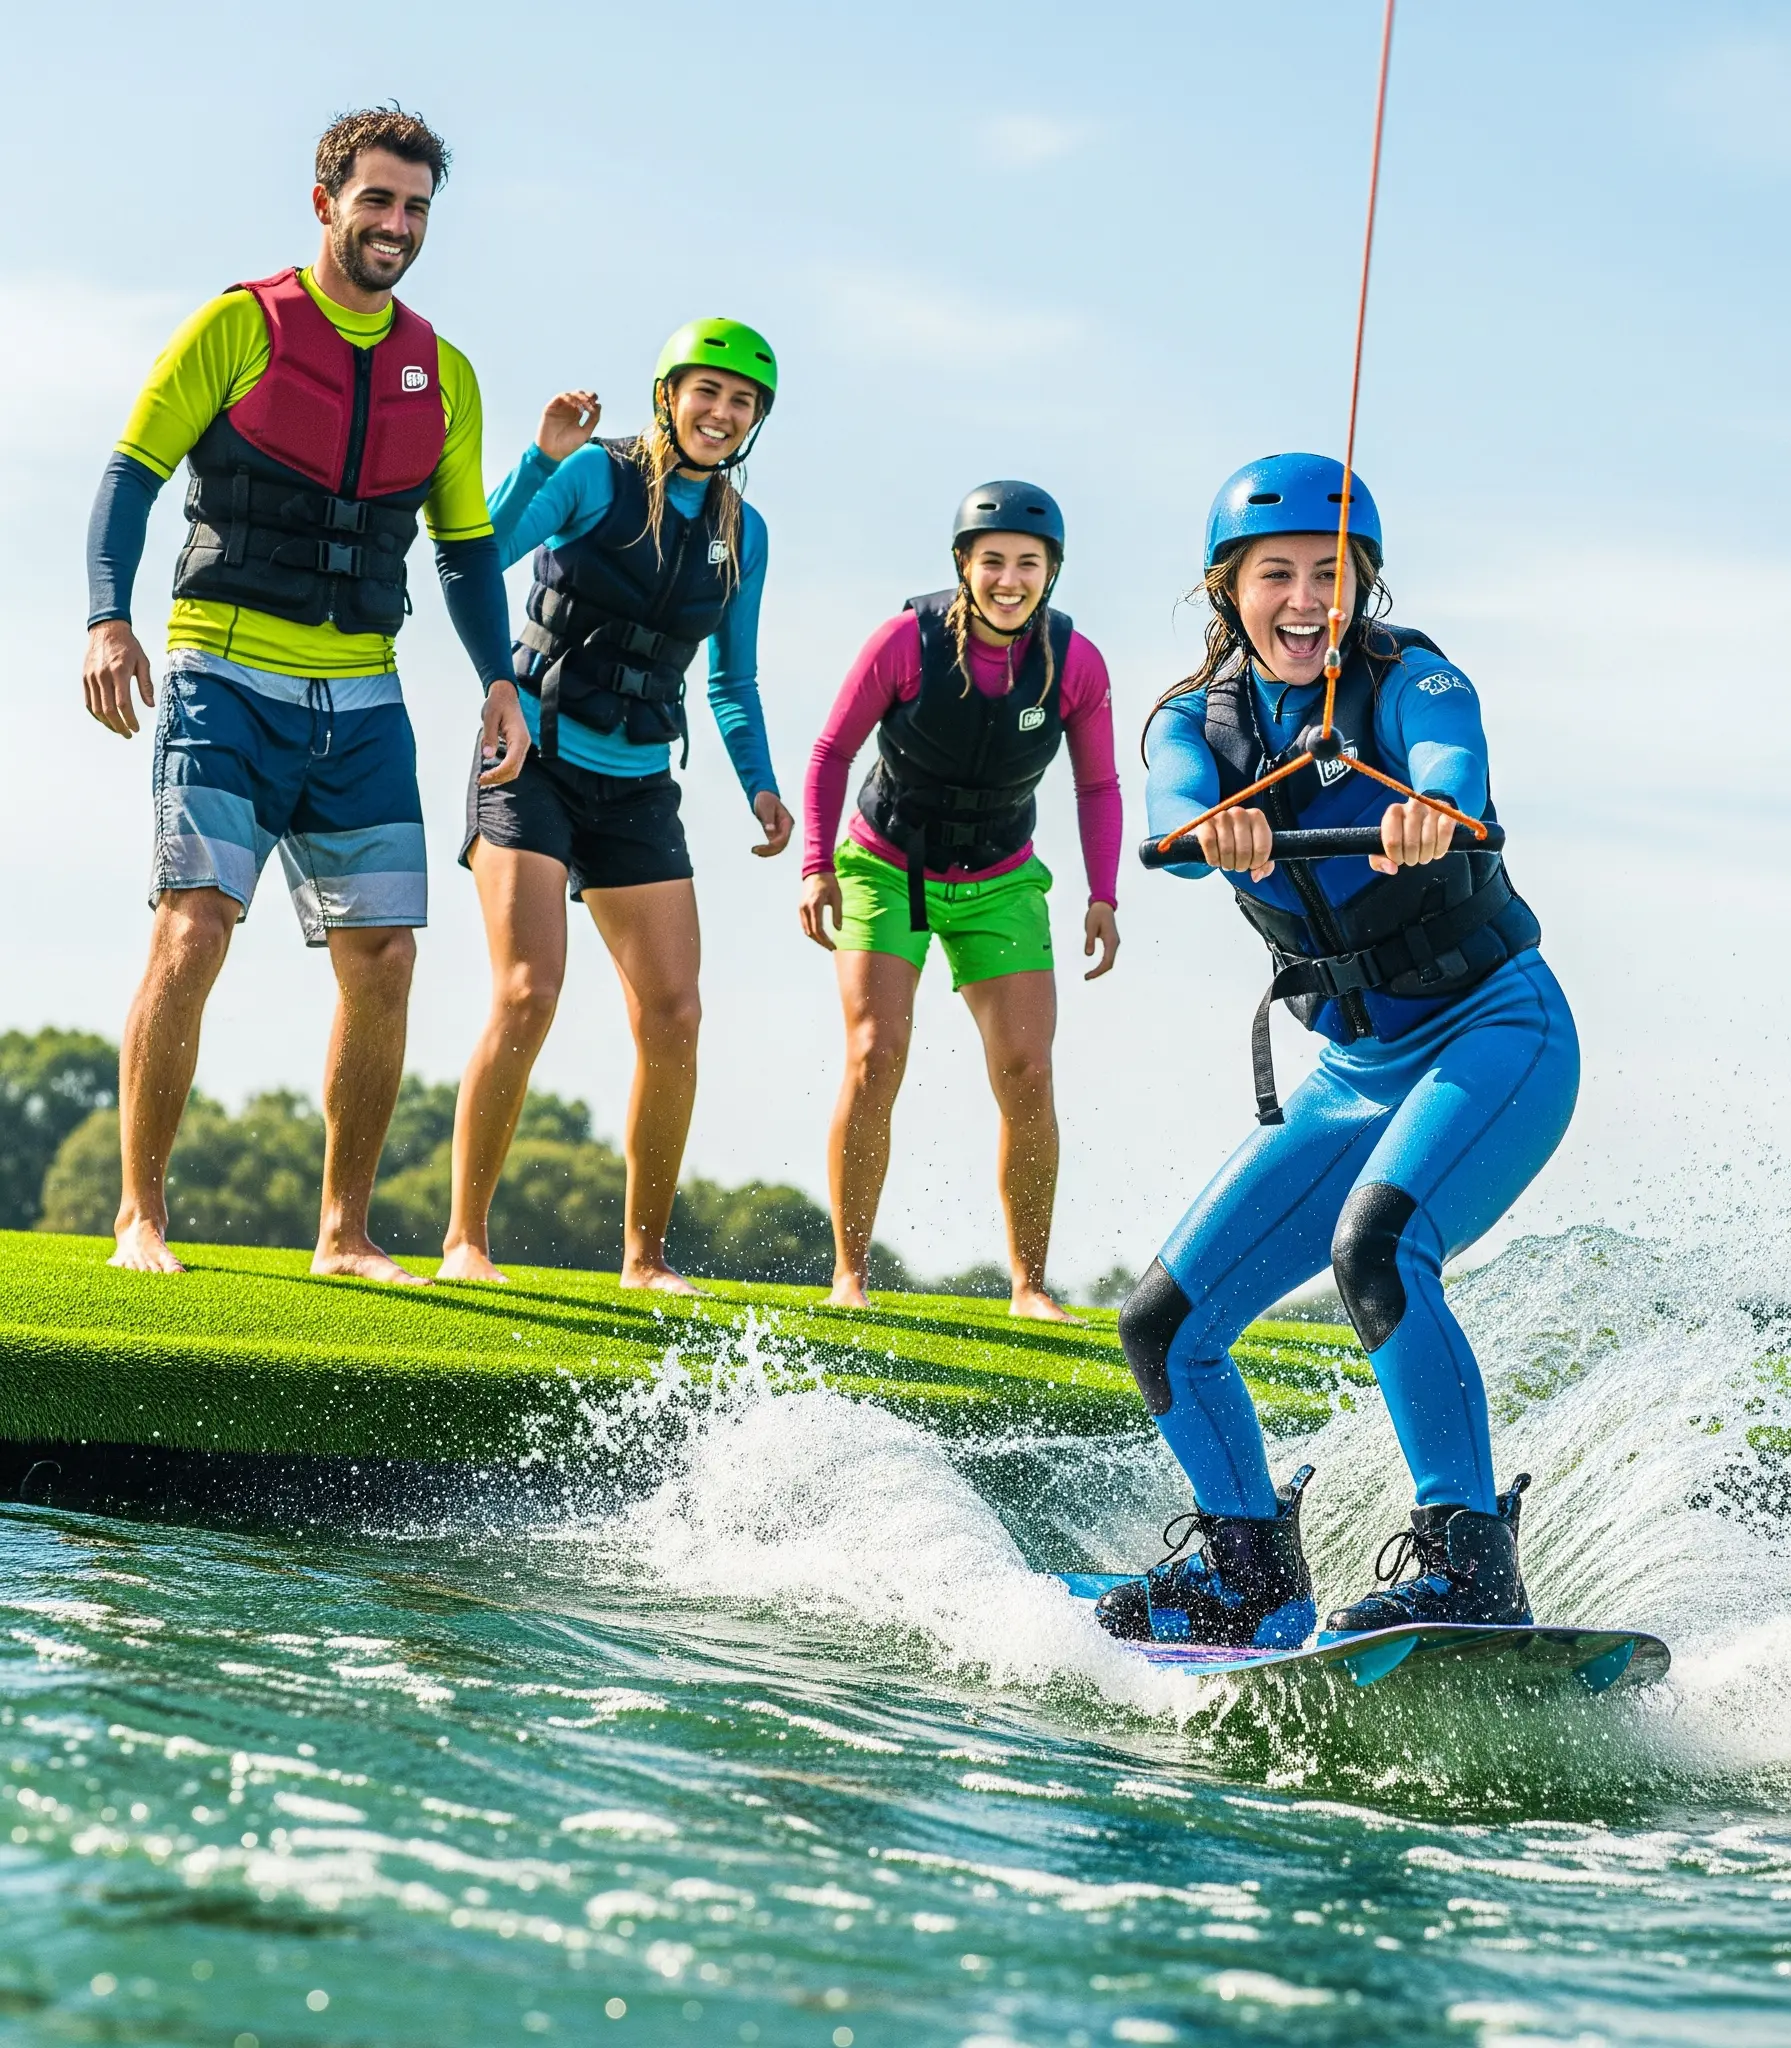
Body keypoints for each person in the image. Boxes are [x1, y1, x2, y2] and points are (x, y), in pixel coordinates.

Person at [1096, 453, 1577, 1648]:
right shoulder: (1188, 721)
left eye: (1330, 573)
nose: (1305, 598)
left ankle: (1468, 1563)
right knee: (1162, 1322)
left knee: (1377, 1248)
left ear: (1362, 582)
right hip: (1351, 1068)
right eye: (1276, 575)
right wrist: (1212, 826)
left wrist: (1431, 810)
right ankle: (1246, 1568)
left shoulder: (1414, 678)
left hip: (1493, 1031)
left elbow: (1453, 765)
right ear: (1227, 590)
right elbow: (1167, 811)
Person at [79, 107, 527, 1282]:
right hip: (224, 675)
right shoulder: (240, 325)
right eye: (377, 200)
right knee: (195, 925)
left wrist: (499, 680)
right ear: (325, 199)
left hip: (363, 699)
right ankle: (140, 1215)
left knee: (384, 957)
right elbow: (128, 476)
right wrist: (106, 617)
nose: (396, 225)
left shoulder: (447, 372)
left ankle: (345, 1234)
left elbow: (469, 551)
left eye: (416, 207)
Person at [438, 323, 793, 1292]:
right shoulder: (596, 476)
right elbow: (485, 548)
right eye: (705, 391)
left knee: (675, 1012)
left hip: (637, 779)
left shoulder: (740, 534)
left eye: (741, 401)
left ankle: (644, 1257)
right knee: (527, 991)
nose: (720, 413)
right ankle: (465, 1237)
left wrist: (759, 780)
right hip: (533, 760)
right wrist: (538, 458)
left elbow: (734, 678)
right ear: (667, 394)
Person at [800, 483, 1122, 1319]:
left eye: (1028, 564)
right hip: (885, 867)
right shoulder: (903, 642)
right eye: (993, 563)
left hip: (1001, 878)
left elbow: (1098, 785)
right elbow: (833, 751)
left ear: (1051, 573)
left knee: (1028, 1072)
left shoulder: (1074, 663)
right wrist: (814, 866)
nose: (1009, 580)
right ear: (963, 567)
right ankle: (849, 1275)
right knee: (876, 1055)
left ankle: (1030, 1286)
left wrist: (1103, 894)